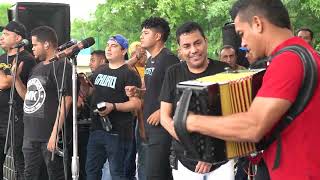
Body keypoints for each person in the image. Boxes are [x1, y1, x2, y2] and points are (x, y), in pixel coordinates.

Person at [185, 0, 320, 179]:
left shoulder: (287, 60)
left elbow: (253, 126)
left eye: (242, 33)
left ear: (257, 23)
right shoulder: (306, 53)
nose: (242, 43)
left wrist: (192, 121)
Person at [159, 21, 234, 180]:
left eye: (197, 43)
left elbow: (234, 117)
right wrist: (197, 150)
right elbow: (165, 117)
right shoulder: (173, 72)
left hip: (221, 161)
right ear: (180, 49)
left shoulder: (225, 71)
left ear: (205, 41)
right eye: (186, 46)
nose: (193, 50)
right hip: (185, 161)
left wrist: (209, 152)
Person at [14, 25, 72, 180]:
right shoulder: (37, 67)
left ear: (46, 44)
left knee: (55, 175)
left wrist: (54, 133)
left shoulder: (62, 65)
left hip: (48, 134)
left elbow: (66, 100)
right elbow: (28, 97)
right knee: (29, 175)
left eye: (34, 45)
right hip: (30, 134)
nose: (32, 48)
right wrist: (16, 78)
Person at [85, 34, 141, 180]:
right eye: (107, 45)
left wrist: (113, 106)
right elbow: (88, 92)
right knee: (91, 172)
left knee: (117, 174)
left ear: (123, 51)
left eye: (114, 46)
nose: (108, 48)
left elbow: (136, 103)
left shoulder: (129, 73)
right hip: (96, 128)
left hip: (118, 132)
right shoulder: (100, 70)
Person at [140, 16, 180, 180]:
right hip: (149, 126)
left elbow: (178, 91)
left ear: (158, 36)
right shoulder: (150, 60)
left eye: (146, 32)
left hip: (163, 126)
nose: (141, 36)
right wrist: (139, 91)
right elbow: (155, 90)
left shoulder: (169, 59)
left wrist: (161, 112)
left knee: (154, 174)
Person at [0, 20, 36, 180]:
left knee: (19, 162)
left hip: (16, 118)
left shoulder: (26, 59)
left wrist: (5, 80)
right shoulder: (2, 57)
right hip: (1, 116)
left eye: (6, 34)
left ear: (18, 38)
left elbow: (5, 82)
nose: (1, 37)